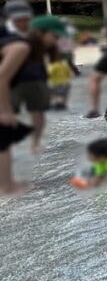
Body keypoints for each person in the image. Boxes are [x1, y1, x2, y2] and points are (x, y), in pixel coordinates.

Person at [0, 15, 63, 193]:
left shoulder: (34, 49)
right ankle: (6, 186)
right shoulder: (21, 46)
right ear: (41, 32)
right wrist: (5, 111)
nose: (56, 41)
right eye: (55, 36)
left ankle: (6, 183)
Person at [3, 1, 50, 154]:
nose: (23, 22)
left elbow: (42, 56)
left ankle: (35, 142)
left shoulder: (36, 33)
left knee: (37, 112)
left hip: (35, 78)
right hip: (12, 81)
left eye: (26, 18)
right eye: (19, 19)